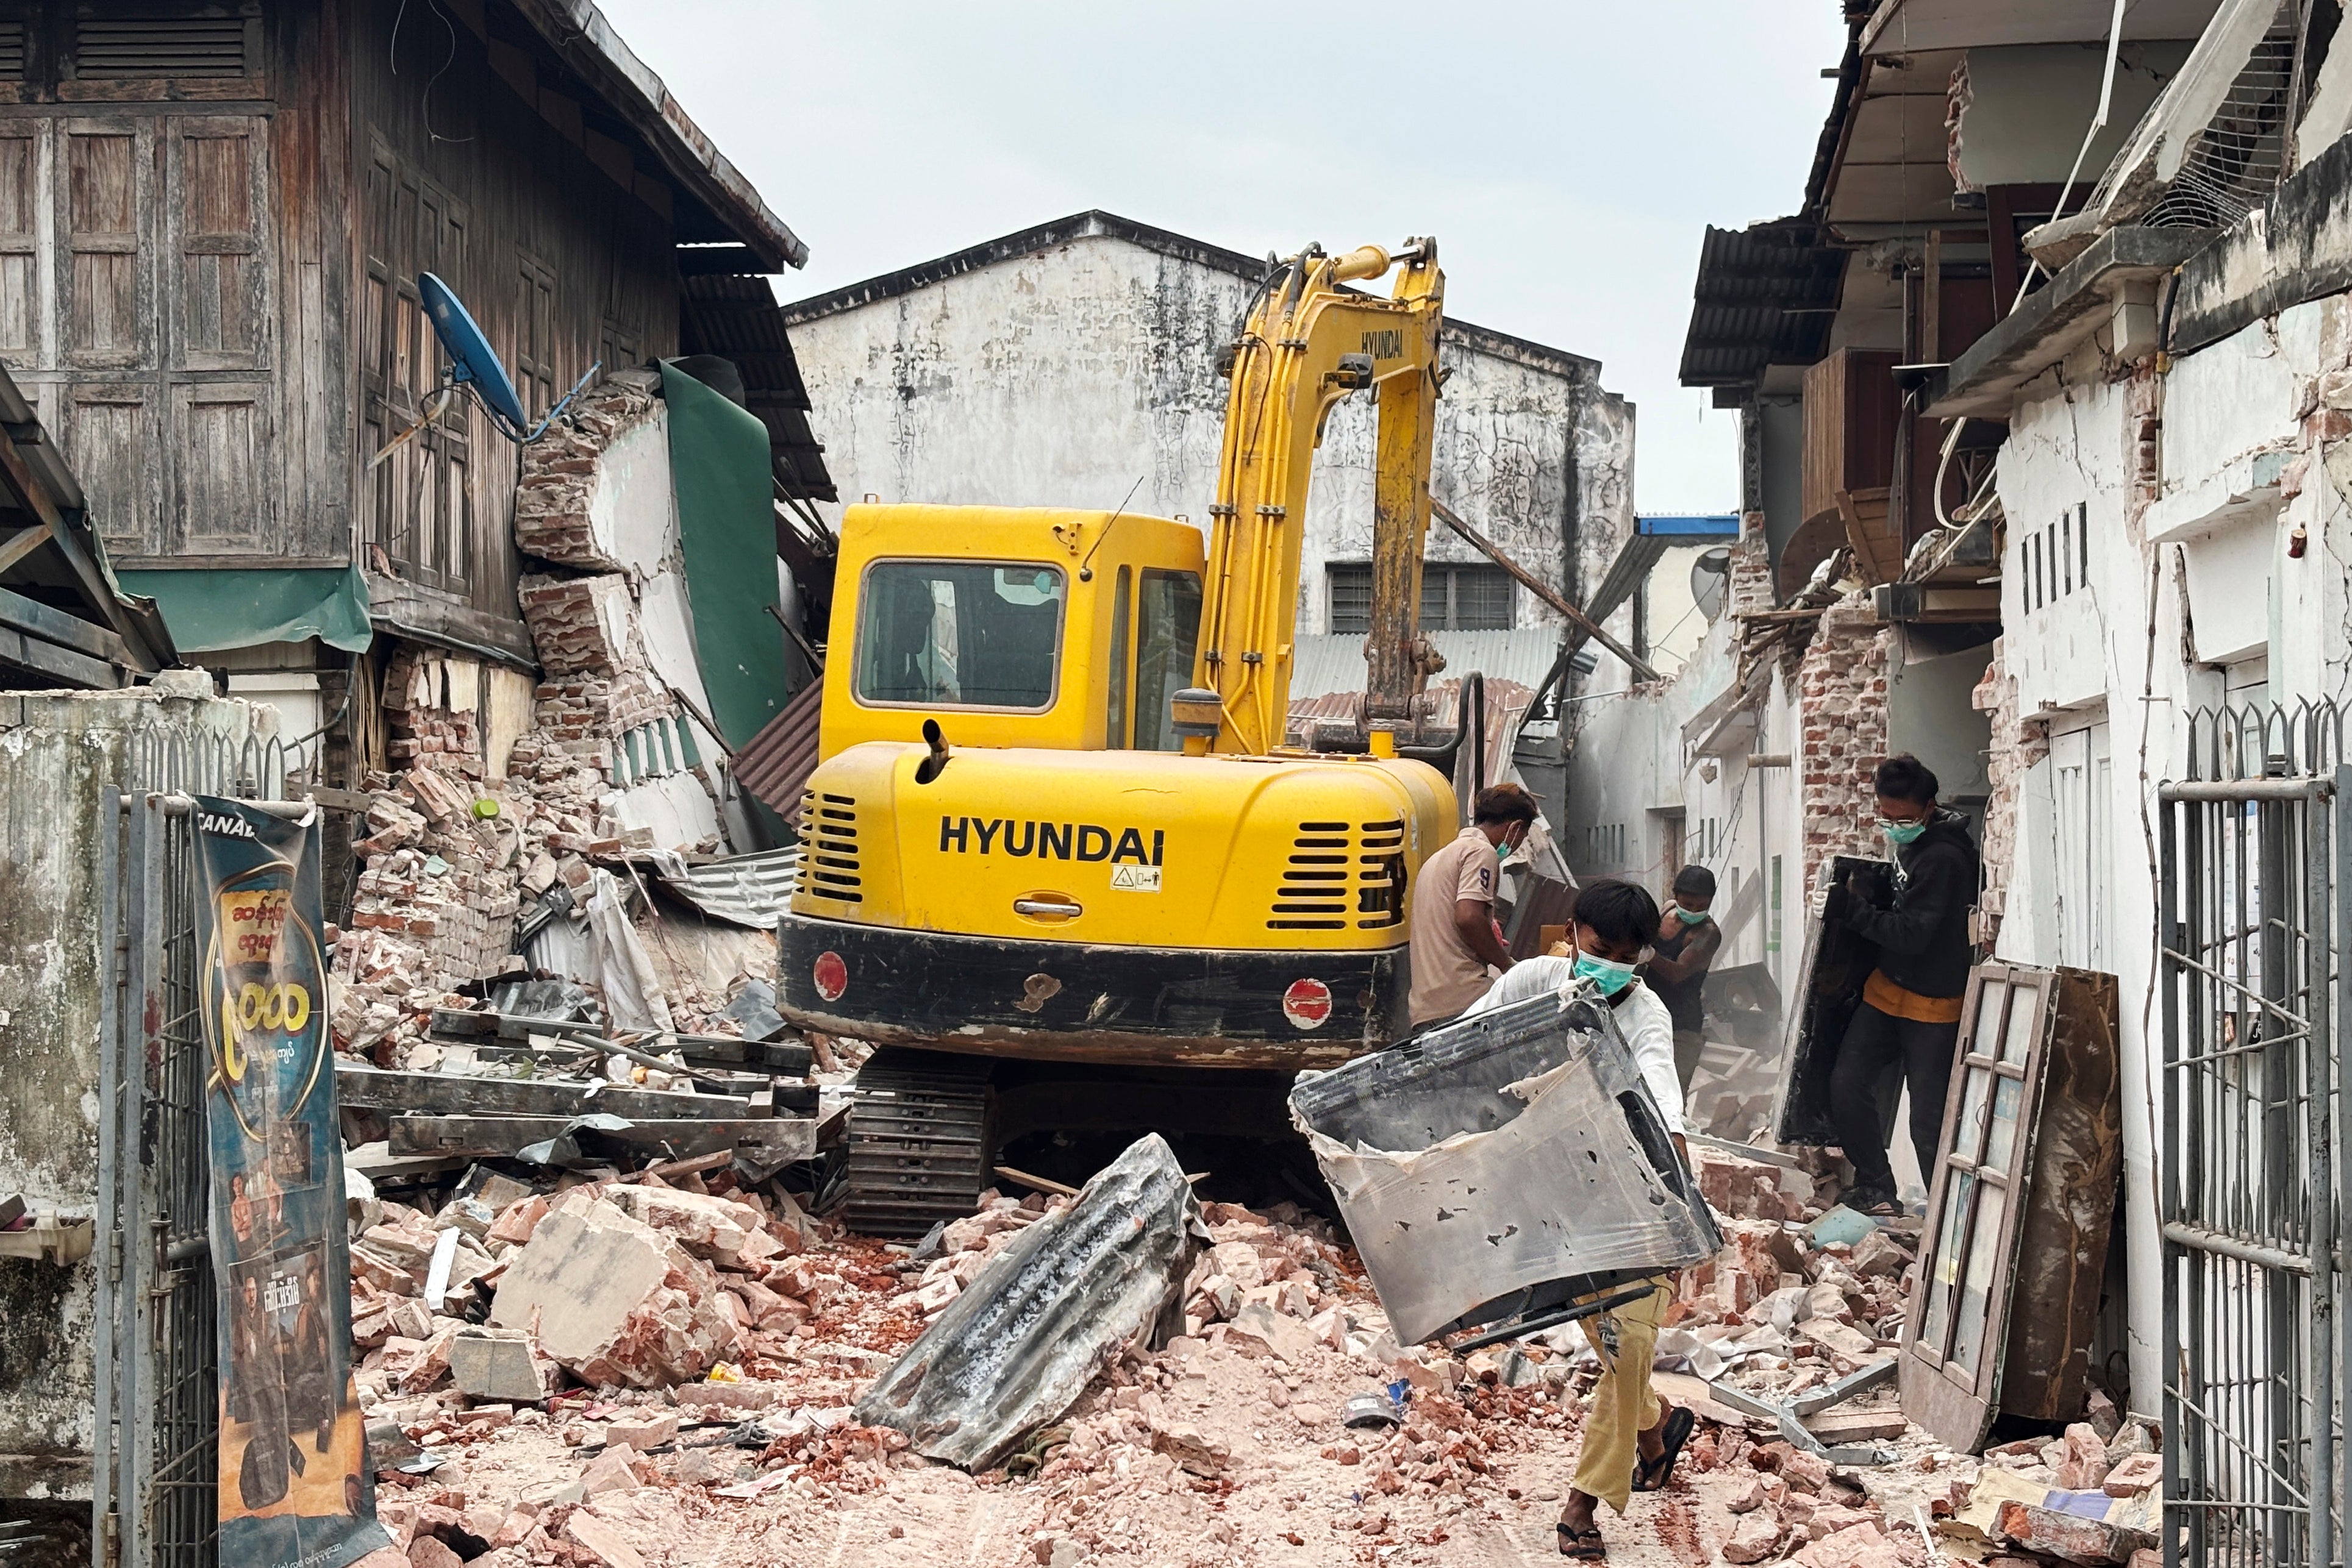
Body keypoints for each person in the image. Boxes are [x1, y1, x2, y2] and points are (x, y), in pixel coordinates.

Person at [1462, 880, 1696, 1558]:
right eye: (1598, 950)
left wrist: (1682, 1212)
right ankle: (1654, 1433)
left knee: (1623, 1355)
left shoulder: (1647, 1016)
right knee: (1619, 1352)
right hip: (1551, 1192)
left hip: (1631, 1200)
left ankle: (1580, 1505)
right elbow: (1470, 1036)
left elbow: (1662, 1099)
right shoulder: (1536, 977)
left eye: (1626, 956)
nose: (1610, 966)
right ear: (1573, 932)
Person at [1828, 754, 1979, 1217]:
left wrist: (1850, 911)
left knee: (1928, 1121)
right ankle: (1875, 1185)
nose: (1893, 827)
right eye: (1886, 817)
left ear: (1929, 807)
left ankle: (1947, 1217)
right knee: (1845, 1085)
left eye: (1904, 819)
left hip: (1933, 1005)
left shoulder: (1945, 860)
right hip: (1885, 993)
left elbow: (1913, 935)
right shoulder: (1910, 847)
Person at [1406, 783, 1540, 1032]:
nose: (1519, 843)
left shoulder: (1442, 856)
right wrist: (1506, 964)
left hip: (1426, 1008)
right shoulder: (1481, 853)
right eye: (1524, 836)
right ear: (1515, 828)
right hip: (1462, 1003)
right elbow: (1468, 917)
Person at [1643, 864, 1721, 1089]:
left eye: (1702, 907)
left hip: (1682, 1026)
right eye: (1687, 905)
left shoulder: (1708, 934)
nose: (1694, 911)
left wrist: (1648, 955)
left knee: (1673, 1093)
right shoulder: (1667, 910)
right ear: (1675, 897)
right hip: (1650, 1014)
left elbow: (1677, 973)